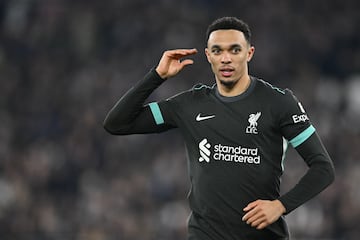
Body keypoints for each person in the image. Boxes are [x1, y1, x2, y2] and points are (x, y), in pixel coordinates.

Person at [103, 17, 335, 240]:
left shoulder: (279, 103)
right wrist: (157, 76)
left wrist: (281, 206)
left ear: (249, 53)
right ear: (208, 55)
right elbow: (117, 123)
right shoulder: (189, 104)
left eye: (235, 50)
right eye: (217, 51)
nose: (226, 58)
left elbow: (323, 168)